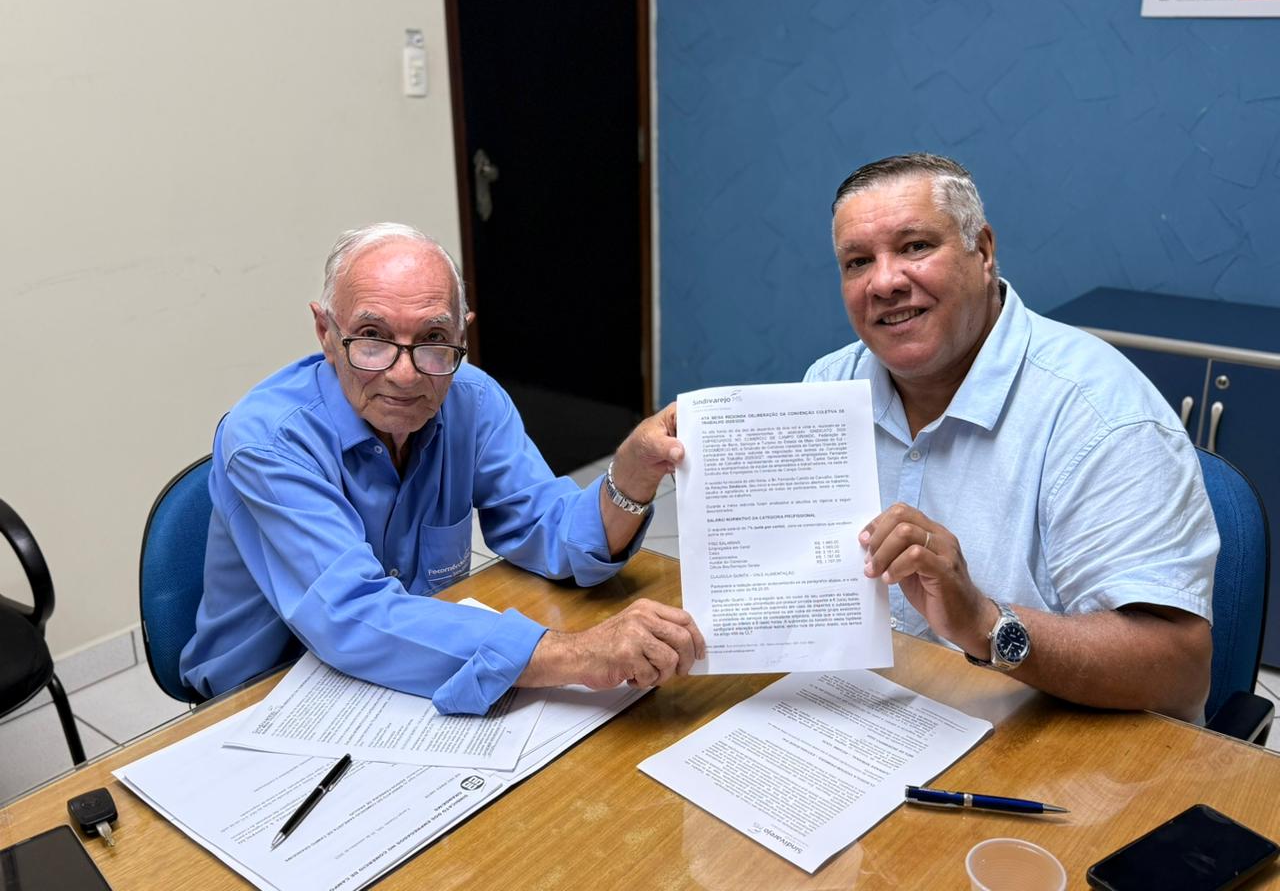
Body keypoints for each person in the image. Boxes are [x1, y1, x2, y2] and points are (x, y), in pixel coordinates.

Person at [181, 223, 704, 713]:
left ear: (462, 334)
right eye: (372, 336)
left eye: (433, 339)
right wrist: (578, 655)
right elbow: (350, 614)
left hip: (419, 666)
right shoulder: (266, 440)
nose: (405, 375)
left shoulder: (471, 399)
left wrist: (631, 475)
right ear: (325, 332)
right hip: (263, 698)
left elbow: (549, 531)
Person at [804, 153, 1217, 722]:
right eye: (857, 262)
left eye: (915, 246)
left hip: (1053, 744)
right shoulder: (829, 387)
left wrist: (984, 622)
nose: (885, 281)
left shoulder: (1100, 414)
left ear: (982, 250)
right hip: (867, 720)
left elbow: (1180, 671)